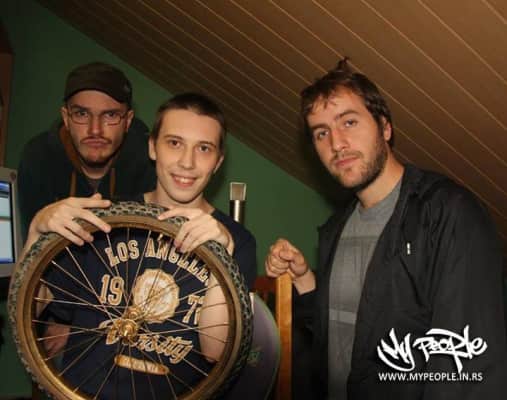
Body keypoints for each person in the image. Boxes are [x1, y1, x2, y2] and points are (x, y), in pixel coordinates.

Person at [265, 59, 507, 399]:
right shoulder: (336, 228)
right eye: (321, 133)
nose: (336, 143)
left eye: (349, 122)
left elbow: (466, 367)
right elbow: (342, 331)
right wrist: (305, 280)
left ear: (385, 127)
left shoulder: (449, 213)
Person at [22, 93, 256, 398]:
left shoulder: (236, 240)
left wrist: (222, 255)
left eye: (204, 148)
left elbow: (215, 352)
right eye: (174, 143)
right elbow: (29, 308)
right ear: (152, 147)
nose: (187, 162)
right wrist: (36, 233)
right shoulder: (105, 219)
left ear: (218, 162)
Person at [17, 61, 156, 238]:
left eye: (110, 115)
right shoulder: (38, 159)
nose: (95, 130)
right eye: (82, 114)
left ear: (128, 121)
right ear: (66, 118)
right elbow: (30, 247)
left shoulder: (151, 162)